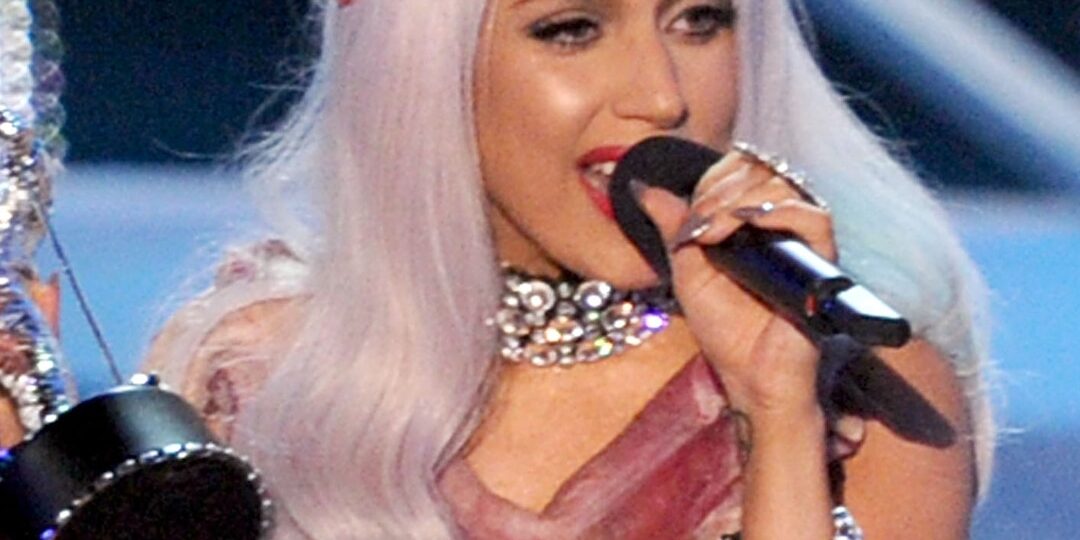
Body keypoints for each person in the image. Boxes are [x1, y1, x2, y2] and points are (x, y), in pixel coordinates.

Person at [137, 0, 992, 537]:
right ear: (422, 67)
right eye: (572, 29)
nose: (661, 96)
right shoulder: (258, 380)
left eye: (700, 21)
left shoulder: (872, 402)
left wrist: (776, 416)